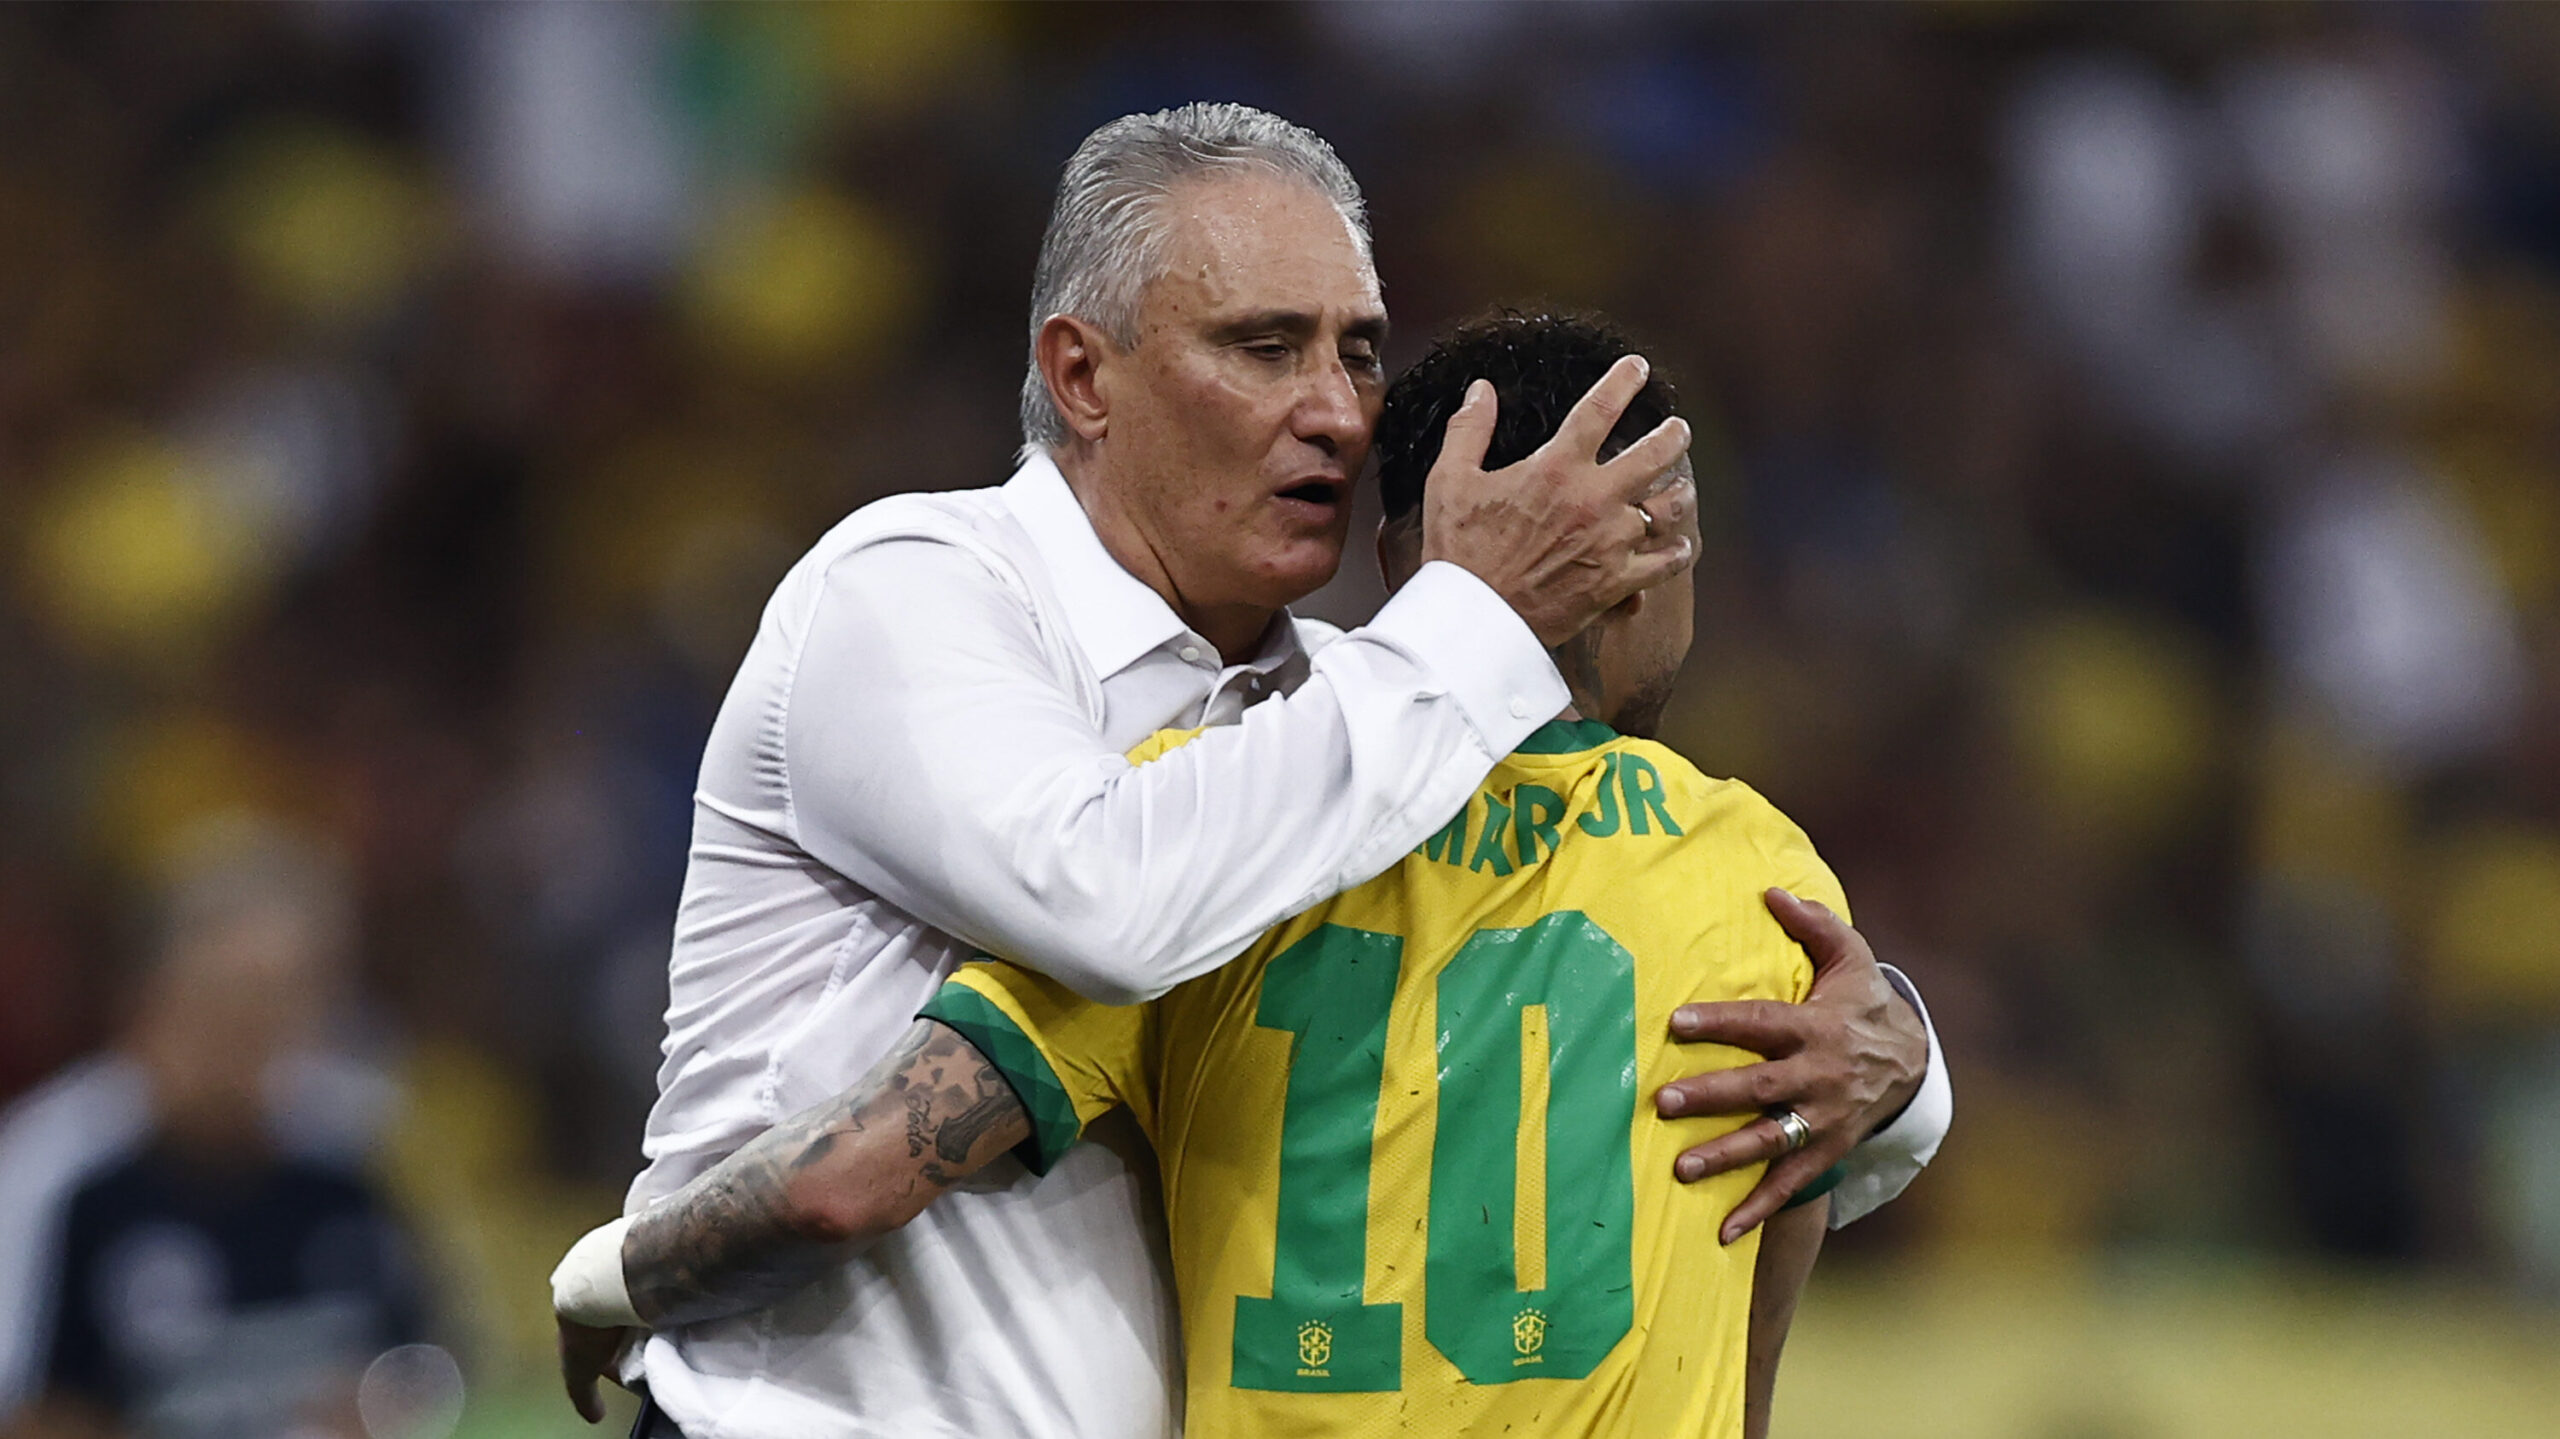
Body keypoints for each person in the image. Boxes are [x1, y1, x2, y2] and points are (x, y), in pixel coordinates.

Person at [607, 102, 1948, 1438]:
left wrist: (1891, 1045)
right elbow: (1114, 899)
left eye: (1359, 355)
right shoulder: (916, 592)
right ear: (1083, 375)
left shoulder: (1350, 727)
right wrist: (629, 1273)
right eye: (1264, 347)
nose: (1334, 412)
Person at [6, 824, 422, 1439]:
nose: (266, 1029)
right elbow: (24, 1407)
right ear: (160, 991)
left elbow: (430, 1369)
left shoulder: (351, 1153)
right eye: (240, 995)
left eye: (296, 997)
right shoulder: (55, 1166)